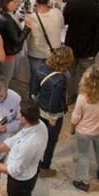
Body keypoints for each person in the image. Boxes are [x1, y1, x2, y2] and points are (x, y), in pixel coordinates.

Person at [62, 0, 99, 104]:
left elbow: (65, 21)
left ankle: (67, 98)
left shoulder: (72, 4)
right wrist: (94, 51)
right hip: (88, 50)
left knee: (68, 75)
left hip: (71, 46)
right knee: (85, 77)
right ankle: (81, 101)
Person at [70, 66, 99, 192]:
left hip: (83, 132)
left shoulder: (82, 97)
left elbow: (75, 117)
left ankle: (83, 181)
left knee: (83, 155)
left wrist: (72, 128)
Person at [35, 46, 74, 177]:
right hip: (53, 114)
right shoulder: (60, 80)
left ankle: (34, 161)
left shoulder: (40, 68)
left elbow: (34, 90)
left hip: (39, 108)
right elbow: (55, 100)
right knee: (51, 141)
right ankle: (45, 167)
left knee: (39, 136)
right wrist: (52, 117)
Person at [25, 0, 64, 97]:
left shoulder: (32, 17)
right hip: (54, 52)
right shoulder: (57, 13)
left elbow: (25, 34)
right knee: (51, 78)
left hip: (36, 53)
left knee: (35, 77)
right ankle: (47, 98)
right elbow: (61, 26)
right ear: (48, 1)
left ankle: (33, 98)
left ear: (36, 1)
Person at [0, 0, 30, 82]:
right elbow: (18, 40)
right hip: (7, 54)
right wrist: (27, 27)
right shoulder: (7, 20)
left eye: (17, 3)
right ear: (6, 2)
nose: (17, 5)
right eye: (14, 2)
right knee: (4, 80)